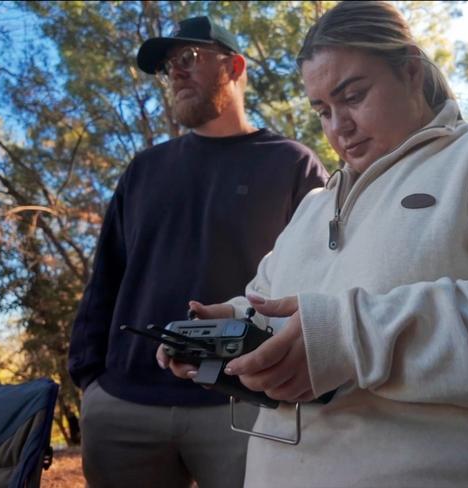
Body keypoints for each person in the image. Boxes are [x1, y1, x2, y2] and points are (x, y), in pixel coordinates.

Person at [160, 2, 468, 487]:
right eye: (322, 110)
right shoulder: (313, 207)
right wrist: (232, 326)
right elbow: (274, 308)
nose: (337, 126)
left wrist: (347, 340)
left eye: (354, 96)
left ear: (409, 71)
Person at [68, 15, 328, 488]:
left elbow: (324, 275)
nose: (176, 74)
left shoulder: (292, 163)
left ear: (235, 66)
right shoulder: (145, 170)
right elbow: (105, 276)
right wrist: (90, 380)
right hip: (125, 407)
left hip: (245, 402)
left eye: (188, 58)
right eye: (169, 67)